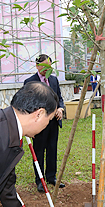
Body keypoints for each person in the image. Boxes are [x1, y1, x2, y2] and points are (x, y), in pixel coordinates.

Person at [24, 54, 65, 192]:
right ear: (37, 66)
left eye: (50, 65)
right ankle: (40, 180)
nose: (47, 68)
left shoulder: (54, 80)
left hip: (53, 122)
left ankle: (51, 177)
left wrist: (60, 108)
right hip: (38, 124)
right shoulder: (30, 82)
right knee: (39, 152)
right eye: (44, 66)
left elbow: (59, 97)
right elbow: (28, 104)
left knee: (52, 150)